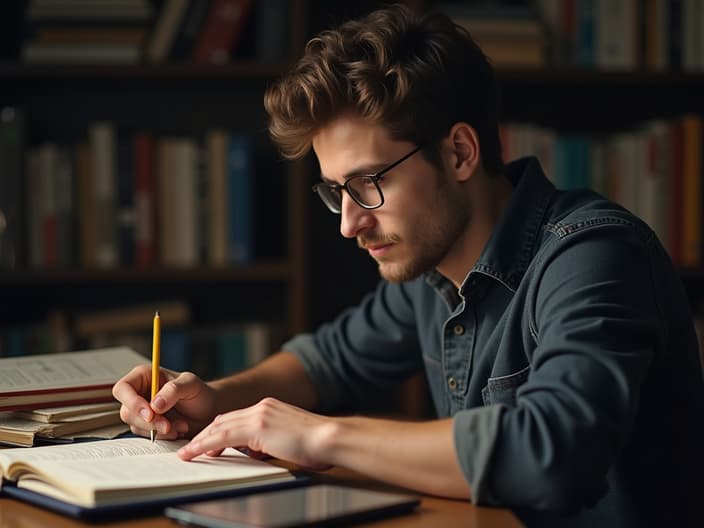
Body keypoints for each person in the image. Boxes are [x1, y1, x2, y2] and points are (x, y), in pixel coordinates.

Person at [113, 4, 704, 527]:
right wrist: (215, 399)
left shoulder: (595, 256)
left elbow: (551, 453)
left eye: (369, 183)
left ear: (460, 152)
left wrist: (321, 436)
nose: (348, 222)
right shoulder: (429, 265)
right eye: (334, 191)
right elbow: (327, 363)